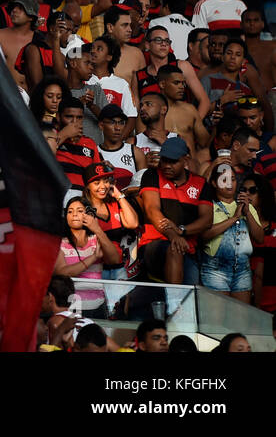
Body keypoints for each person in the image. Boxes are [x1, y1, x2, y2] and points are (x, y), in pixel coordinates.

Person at [137, 135, 210, 285]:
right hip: (154, 244)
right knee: (174, 248)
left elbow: (206, 220)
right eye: (164, 160)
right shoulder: (151, 175)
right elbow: (152, 210)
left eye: (173, 161)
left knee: (191, 296)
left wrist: (181, 231)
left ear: (186, 160)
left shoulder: (200, 183)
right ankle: (174, 304)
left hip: (187, 248)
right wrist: (173, 235)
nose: (166, 166)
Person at [199, 162, 264, 303]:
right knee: (218, 323)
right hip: (215, 270)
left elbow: (260, 238)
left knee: (239, 323)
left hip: (243, 270)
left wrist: (247, 213)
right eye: (224, 179)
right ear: (214, 183)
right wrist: (234, 218)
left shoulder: (246, 206)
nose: (229, 183)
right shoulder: (208, 206)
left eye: (233, 179)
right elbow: (204, 236)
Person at [55, 197, 121, 317]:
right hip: (71, 305)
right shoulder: (59, 243)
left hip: (100, 305)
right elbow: (62, 272)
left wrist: (97, 229)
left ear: (88, 214)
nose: (74, 214)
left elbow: (115, 260)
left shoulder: (96, 239)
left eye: (80, 210)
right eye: (70, 211)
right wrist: (93, 258)